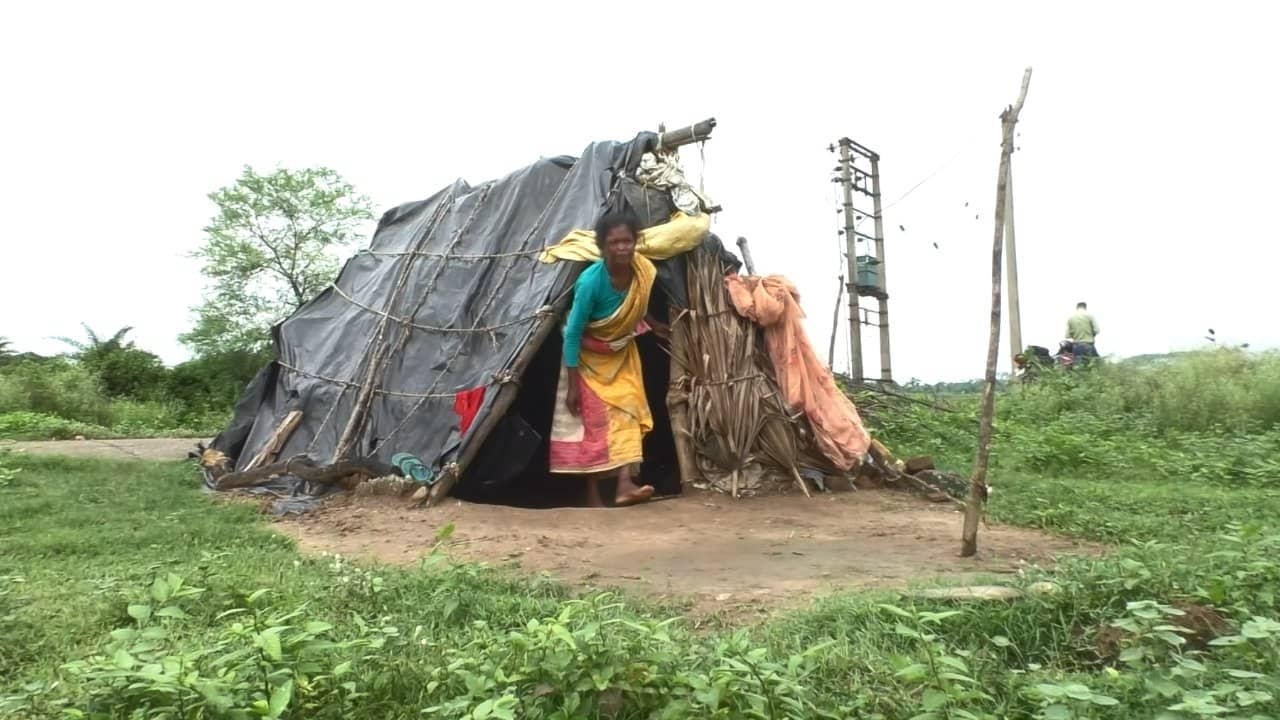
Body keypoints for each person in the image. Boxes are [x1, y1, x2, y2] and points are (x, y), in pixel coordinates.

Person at [548, 210, 669, 508]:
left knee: (628, 410)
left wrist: (653, 324)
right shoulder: (590, 283)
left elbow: (636, 304)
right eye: (614, 242)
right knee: (594, 425)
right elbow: (574, 333)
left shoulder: (642, 270)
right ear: (604, 246)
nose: (622, 248)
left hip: (620, 353)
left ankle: (624, 486)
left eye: (627, 241)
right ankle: (592, 496)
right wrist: (573, 385)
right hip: (587, 358)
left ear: (635, 241)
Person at [1066, 301, 1100, 366]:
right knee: (1095, 367)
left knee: (1079, 369)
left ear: (1077, 307)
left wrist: (1075, 335)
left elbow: (1067, 335)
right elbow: (1097, 330)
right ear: (1085, 307)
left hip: (1076, 346)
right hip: (1089, 344)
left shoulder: (1070, 318)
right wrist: (1091, 334)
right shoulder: (1090, 316)